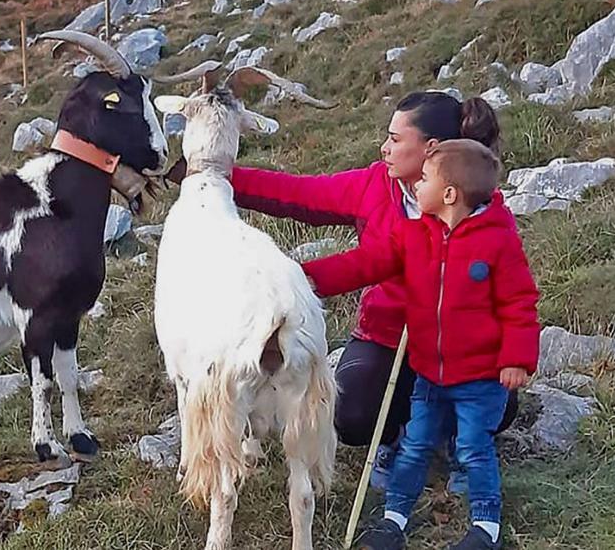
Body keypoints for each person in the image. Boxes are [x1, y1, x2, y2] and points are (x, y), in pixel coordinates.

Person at [222, 91, 519, 489]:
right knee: (351, 413)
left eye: (396, 139)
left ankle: (457, 440)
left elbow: (514, 296)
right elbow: (300, 196)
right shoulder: (376, 184)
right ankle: (395, 436)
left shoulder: (483, 211)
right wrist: (219, 176)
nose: (385, 148)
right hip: (388, 337)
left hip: (464, 345)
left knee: (500, 404)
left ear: (430, 149)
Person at [302, 139, 540, 550]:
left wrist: (517, 358)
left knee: (474, 447)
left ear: (449, 195)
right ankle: (394, 517)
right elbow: (365, 263)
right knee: (413, 445)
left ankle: (486, 526)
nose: (414, 186)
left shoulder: (497, 241)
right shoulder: (413, 235)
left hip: (481, 378)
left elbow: (520, 302)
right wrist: (302, 278)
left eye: (424, 179)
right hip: (429, 372)